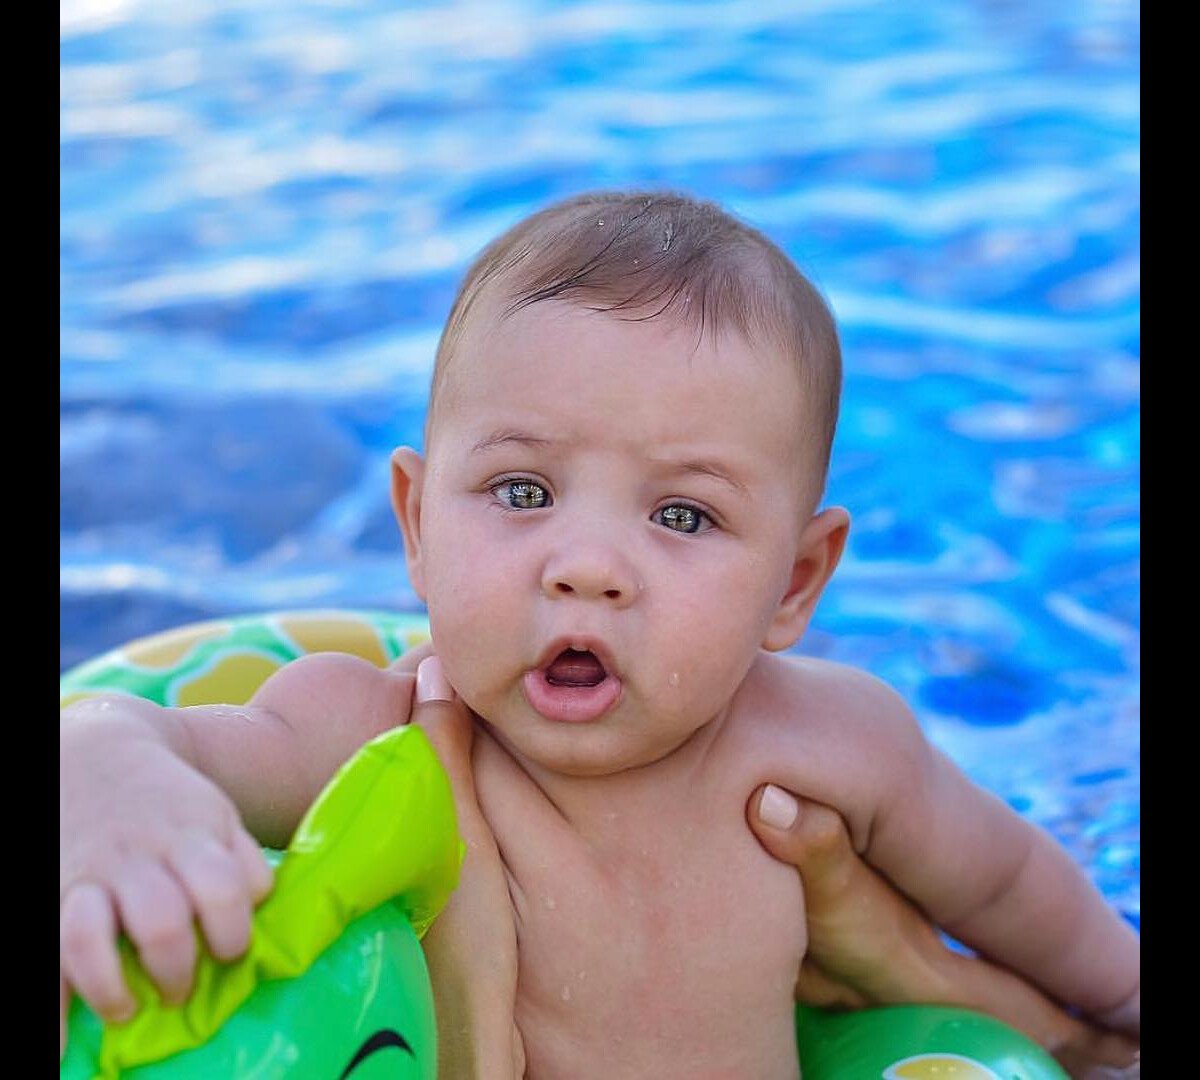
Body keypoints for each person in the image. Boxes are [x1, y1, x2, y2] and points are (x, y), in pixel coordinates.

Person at [60, 191, 1139, 1077]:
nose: (586, 566)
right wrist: (108, 776)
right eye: (522, 489)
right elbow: (143, 734)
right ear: (417, 524)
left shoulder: (831, 743)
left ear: (794, 583)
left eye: (683, 515)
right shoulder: (367, 727)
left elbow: (1005, 888)